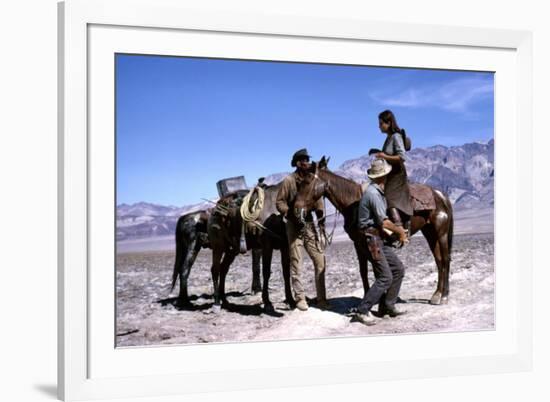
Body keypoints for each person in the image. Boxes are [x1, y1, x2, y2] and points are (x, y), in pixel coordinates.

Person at [354, 158, 408, 326]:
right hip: (371, 240)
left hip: (379, 238)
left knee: (398, 269)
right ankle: (362, 310)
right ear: (382, 177)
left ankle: (387, 306)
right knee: (385, 276)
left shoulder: (377, 192)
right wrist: (401, 233)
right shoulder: (373, 194)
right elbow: (384, 222)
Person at [276, 148, 328, 311]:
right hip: (293, 225)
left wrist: (320, 214)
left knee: (320, 260)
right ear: (298, 163)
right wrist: (289, 212)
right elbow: (280, 202)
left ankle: (321, 298)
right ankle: (300, 298)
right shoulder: (288, 181)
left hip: (309, 224)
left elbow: (316, 199)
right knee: (296, 263)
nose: (307, 162)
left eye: (308, 160)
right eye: (304, 160)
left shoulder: (311, 179)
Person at [374, 110, 413, 230]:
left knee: (389, 198)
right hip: (388, 173)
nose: (379, 126)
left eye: (381, 123)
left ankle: (400, 229)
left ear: (389, 123)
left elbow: (402, 157)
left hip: (397, 174)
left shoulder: (396, 137)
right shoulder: (388, 138)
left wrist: (384, 156)